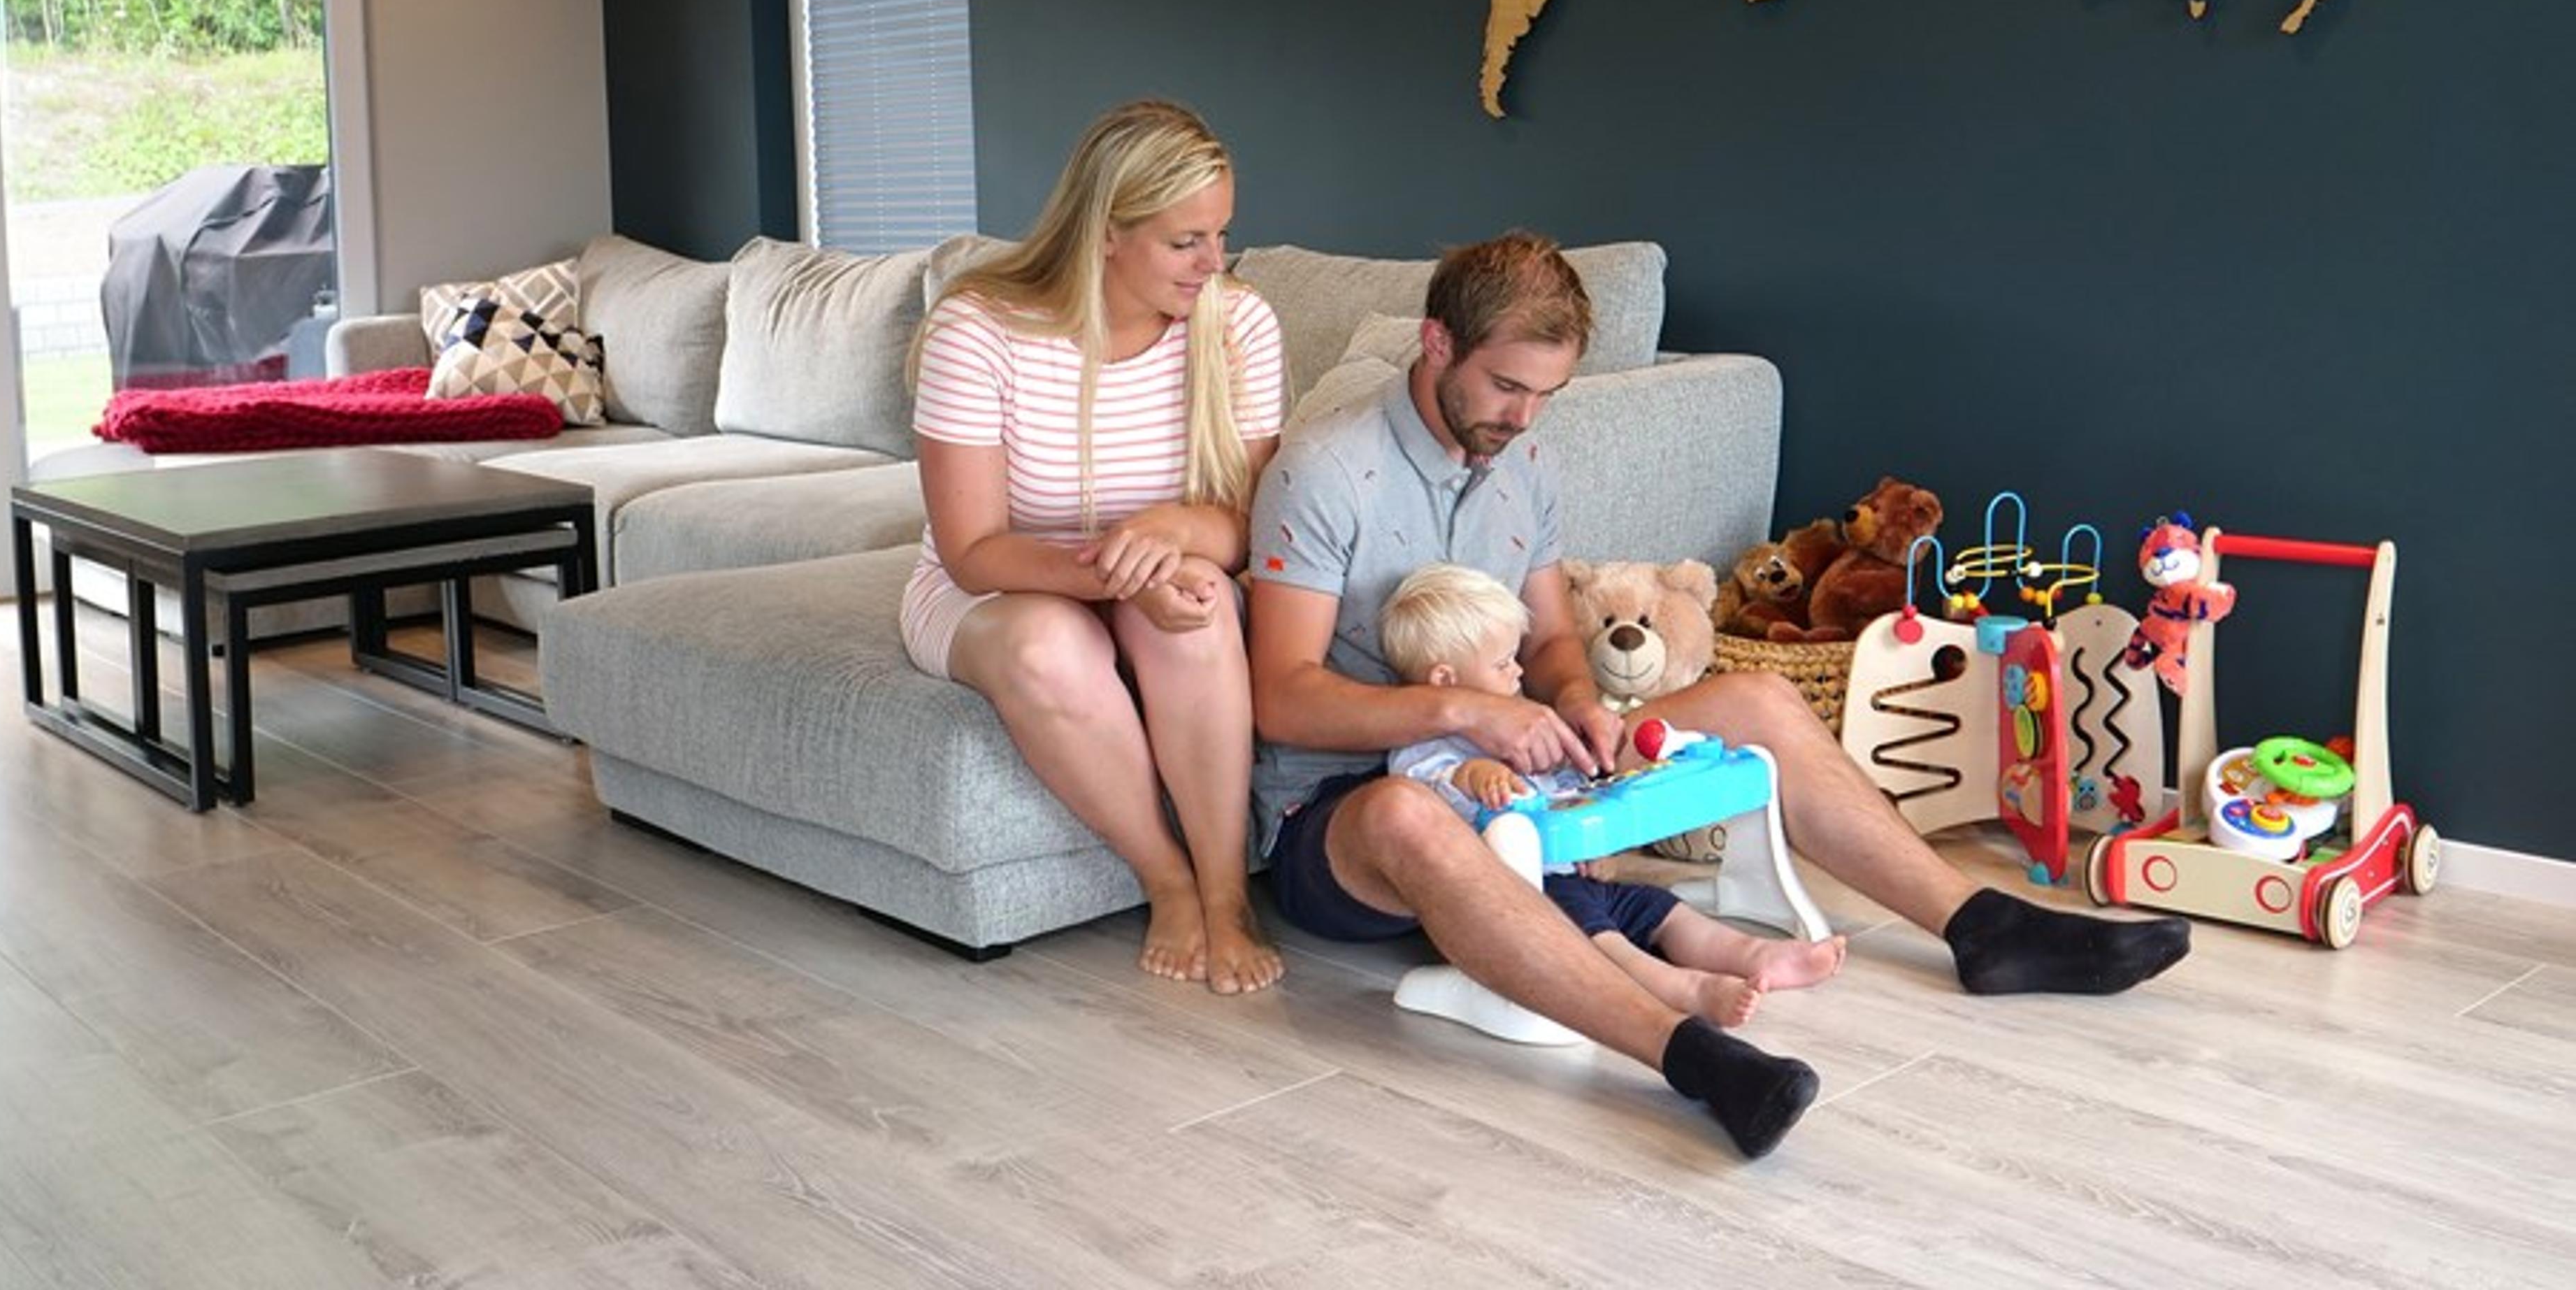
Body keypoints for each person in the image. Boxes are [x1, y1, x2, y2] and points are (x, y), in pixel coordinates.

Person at [1248, 231, 2192, 1157]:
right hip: (1346, 811)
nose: (1524, 417)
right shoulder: (1327, 468)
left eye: (1546, 394)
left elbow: (1552, 639)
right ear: (1437, 343)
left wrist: (1576, 700)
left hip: (1512, 771)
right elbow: (1283, 698)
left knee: (1761, 702)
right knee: (1410, 815)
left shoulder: (1520, 461)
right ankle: (1691, 1057)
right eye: (1505, 386)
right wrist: (1464, 710)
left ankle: (1983, 927)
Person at [906, 99, 1286, 994]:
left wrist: (1170, 533)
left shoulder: (1238, 324)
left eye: (1222, 235)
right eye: (1185, 241)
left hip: (1157, 567)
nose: (1214, 264)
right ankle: (1168, 880)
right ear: (1106, 232)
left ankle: (1227, 894)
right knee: (1048, 643)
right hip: (997, 587)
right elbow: (973, 550)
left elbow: (1249, 520)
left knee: (1196, 601)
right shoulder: (979, 330)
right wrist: (1118, 571)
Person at [1378, 562, 1847, 1029]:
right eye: (1503, 664)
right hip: (1522, 903)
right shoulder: (1424, 750)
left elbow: (1568, 792)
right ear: (1445, 680)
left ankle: (1759, 955)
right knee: (1607, 945)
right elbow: (1429, 792)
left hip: (1574, 875)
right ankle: (1690, 991)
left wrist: (1591, 841)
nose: (1519, 671)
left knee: (1662, 911)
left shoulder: (1523, 721)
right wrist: (1474, 775)